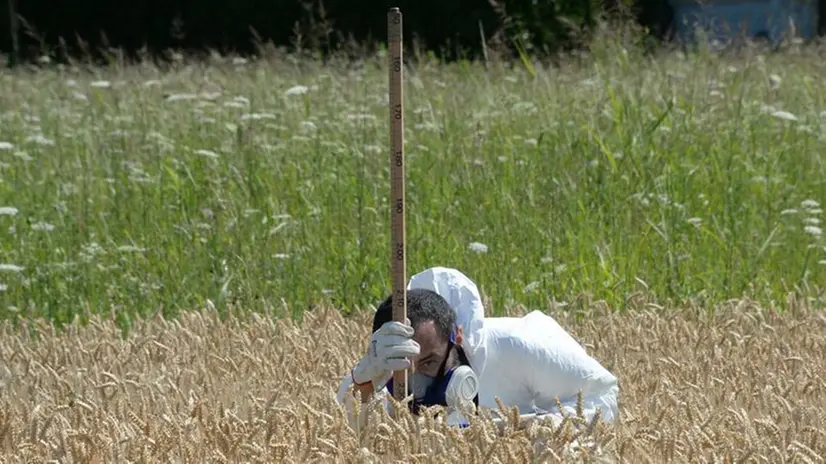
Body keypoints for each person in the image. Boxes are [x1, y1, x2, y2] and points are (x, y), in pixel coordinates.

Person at [335, 267, 620, 428]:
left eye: (429, 362)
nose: (418, 382)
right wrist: (364, 382)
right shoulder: (384, 375)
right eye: (408, 368)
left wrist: (532, 432)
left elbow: (602, 394)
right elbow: (340, 437)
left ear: (456, 338)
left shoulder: (523, 345)